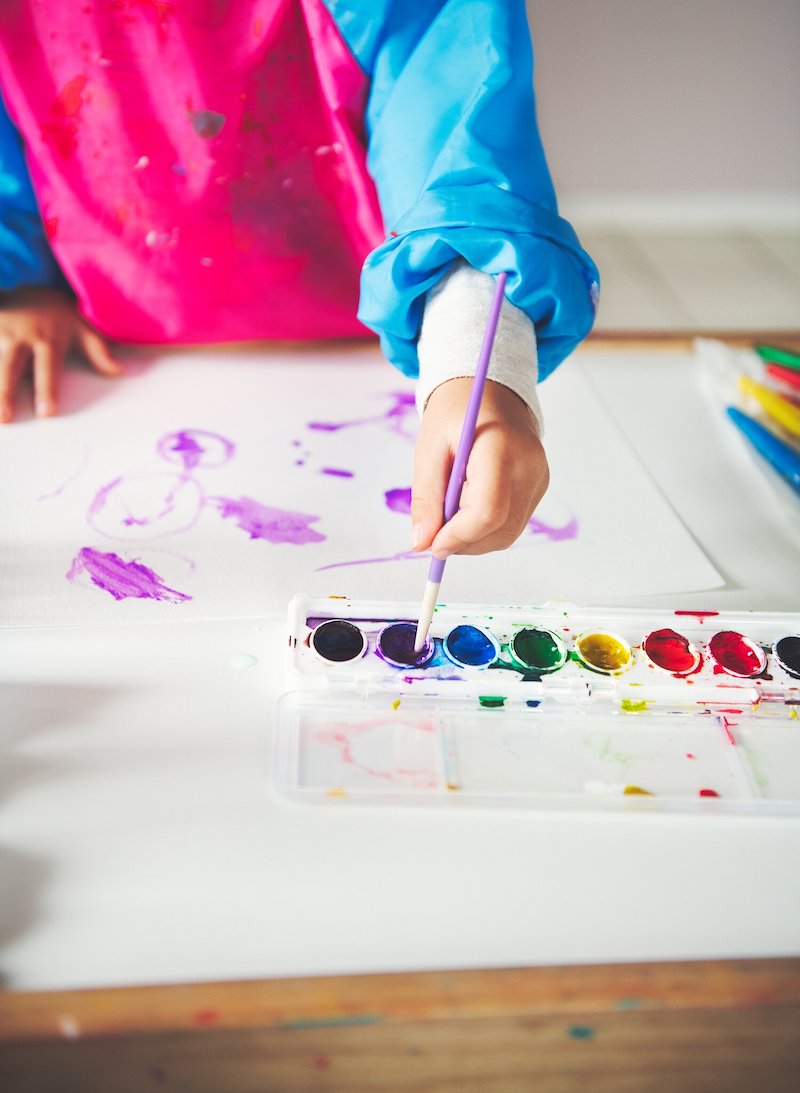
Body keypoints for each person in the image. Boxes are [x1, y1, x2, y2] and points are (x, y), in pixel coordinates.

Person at [0, 0, 598, 560]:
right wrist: (17, 281)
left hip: (368, 332)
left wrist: (472, 361)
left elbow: (453, 131)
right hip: (103, 337)